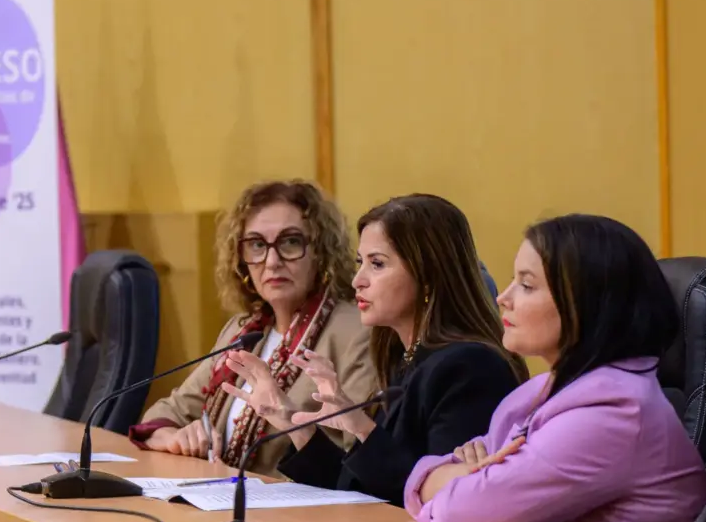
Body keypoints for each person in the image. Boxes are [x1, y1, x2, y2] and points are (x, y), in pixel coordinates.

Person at [403, 214, 706, 522]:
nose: (502, 298)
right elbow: (453, 483)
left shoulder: (613, 413)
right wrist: (467, 476)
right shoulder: (537, 393)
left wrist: (462, 478)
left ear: (588, 303)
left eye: (526, 285)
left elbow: (461, 511)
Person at [223, 194, 528, 504]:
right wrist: (291, 422)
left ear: (427, 277)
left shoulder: (470, 368)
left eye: (377, 264)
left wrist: (362, 428)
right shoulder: (407, 358)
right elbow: (356, 491)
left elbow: (438, 498)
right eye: (360, 263)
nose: (358, 280)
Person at [128, 179, 376, 476]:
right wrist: (174, 437)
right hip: (223, 499)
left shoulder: (356, 332)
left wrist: (285, 415)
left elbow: (357, 464)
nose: (272, 261)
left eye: (290, 242)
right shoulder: (244, 331)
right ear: (242, 259)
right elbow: (168, 412)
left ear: (320, 252)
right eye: (257, 245)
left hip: (301, 514)